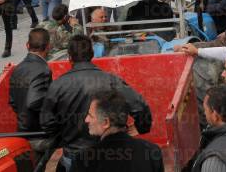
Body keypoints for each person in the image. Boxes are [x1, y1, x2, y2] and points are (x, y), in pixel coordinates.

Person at [40, 35, 152, 172]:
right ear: (92, 53)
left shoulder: (58, 85)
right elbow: (140, 107)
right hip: (108, 156)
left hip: (74, 154)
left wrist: (65, 138)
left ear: (69, 57)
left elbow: (46, 123)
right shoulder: (110, 80)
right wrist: (141, 127)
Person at [72, 89, 164, 172]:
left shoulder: (83, 160)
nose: (86, 120)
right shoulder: (152, 151)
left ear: (105, 123)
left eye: (90, 115)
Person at [9, 28, 52, 132]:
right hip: (38, 132)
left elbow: (12, 101)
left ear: (27, 45)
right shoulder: (43, 70)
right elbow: (33, 102)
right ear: (48, 47)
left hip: (22, 129)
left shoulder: (17, 69)